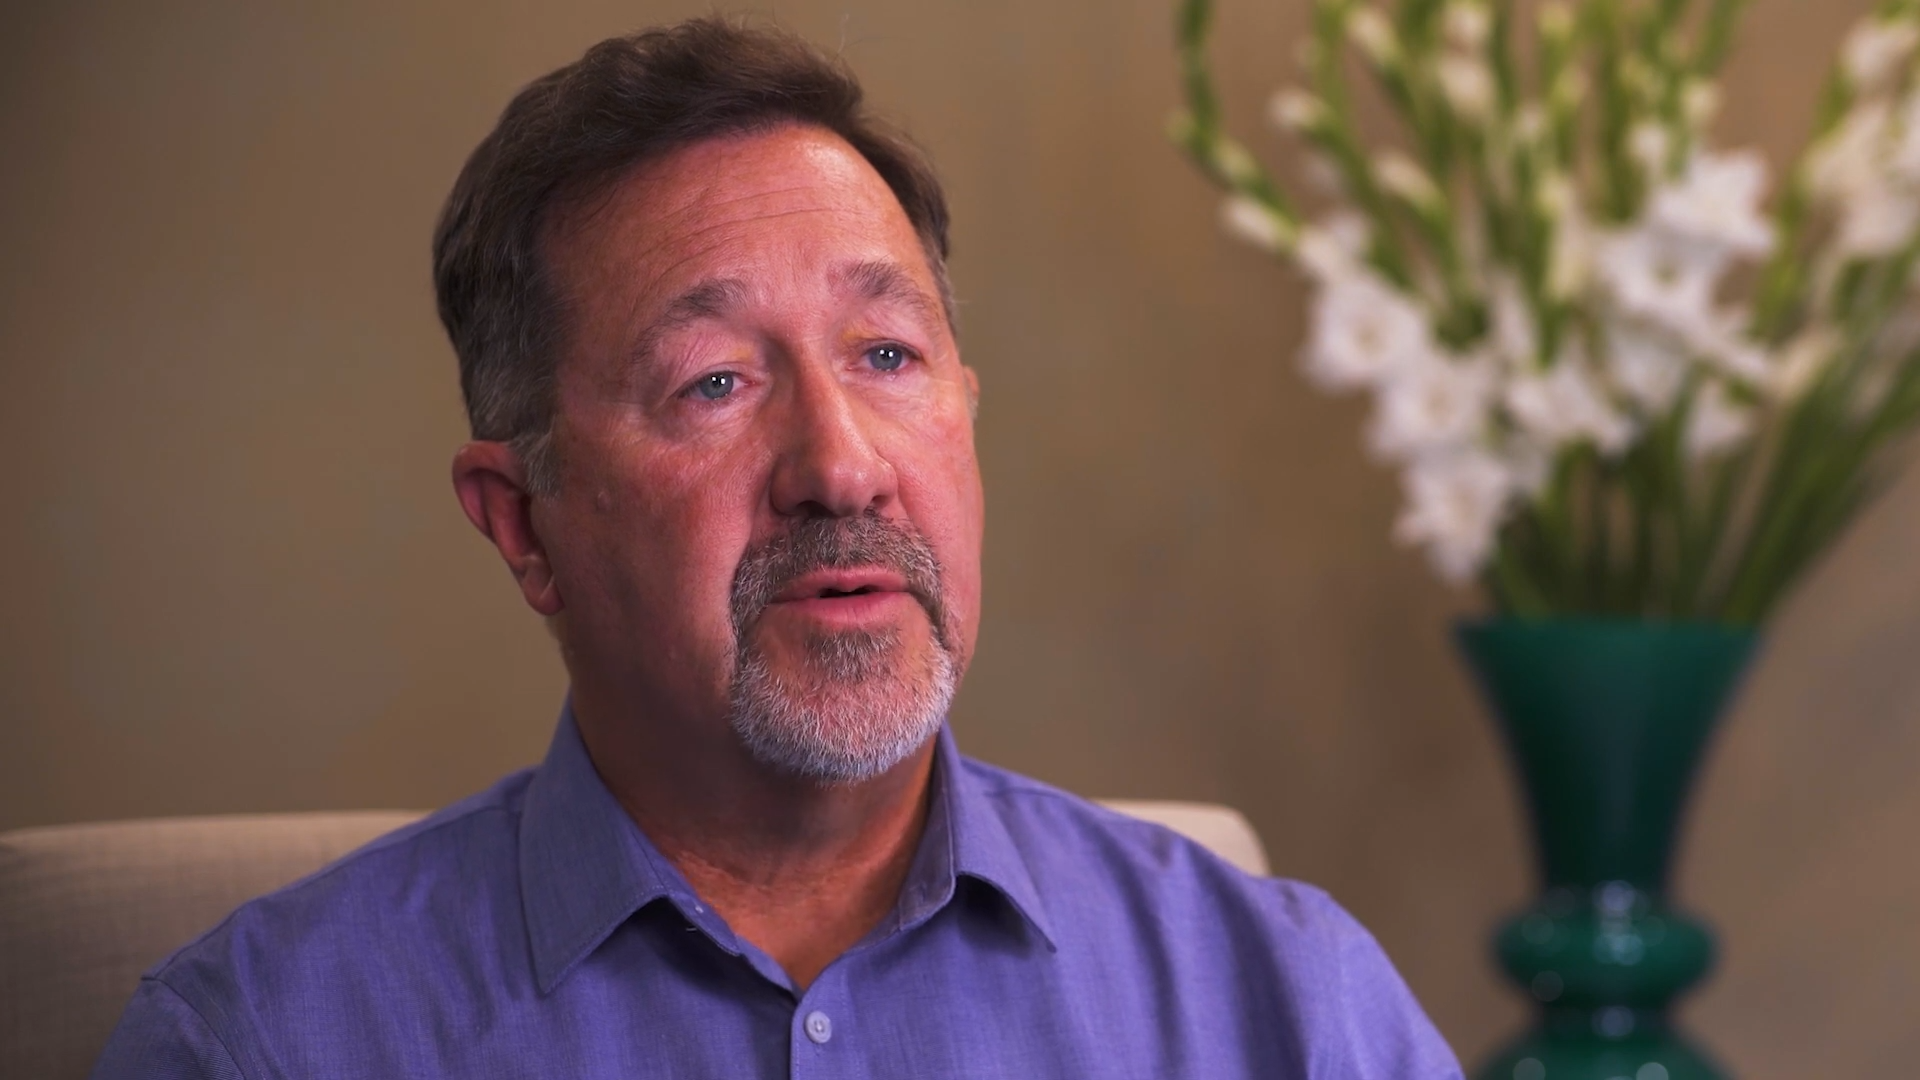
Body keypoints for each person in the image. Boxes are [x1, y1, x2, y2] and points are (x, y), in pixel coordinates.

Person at [92, 17, 1461, 1078]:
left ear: (965, 419)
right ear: (523, 527)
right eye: (713, 382)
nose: (842, 466)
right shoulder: (266, 1040)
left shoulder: (1287, 1006)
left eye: (885, 353)